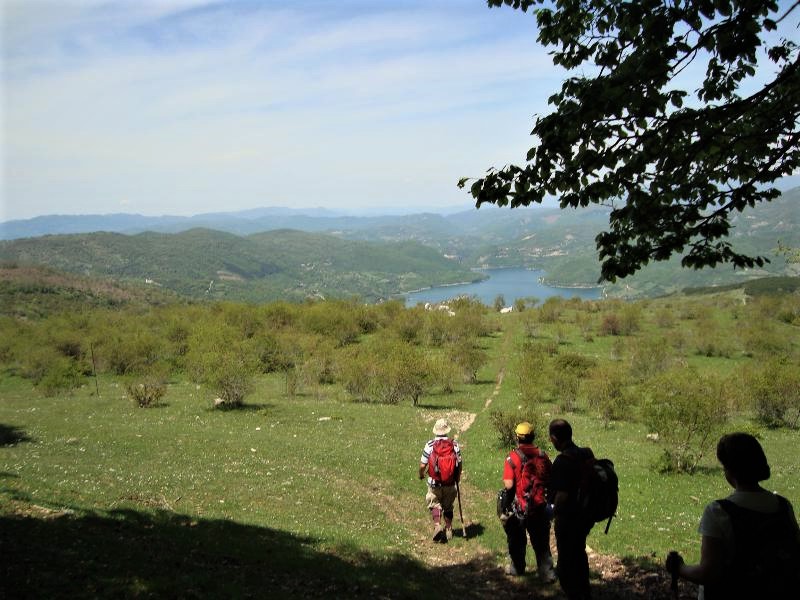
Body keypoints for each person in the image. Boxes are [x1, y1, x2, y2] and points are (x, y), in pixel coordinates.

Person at [665, 432, 800, 599]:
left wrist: (679, 568)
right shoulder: (783, 506)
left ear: (730, 470)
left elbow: (708, 573)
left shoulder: (718, 512)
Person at [500, 421, 557, 582]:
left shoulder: (512, 457)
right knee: (541, 543)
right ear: (532, 436)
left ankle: (517, 568)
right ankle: (547, 574)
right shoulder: (542, 455)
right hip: (539, 505)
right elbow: (550, 479)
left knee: (516, 540)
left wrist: (506, 505)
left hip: (519, 507)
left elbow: (509, 485)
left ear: (517, 437)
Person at [548, 418, 594, 600]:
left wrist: (552, 511)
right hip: (586, 515)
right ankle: (584, 590)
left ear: (554, 438)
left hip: (568, 519)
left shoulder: (562, 461)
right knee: (579, 553)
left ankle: (574, 593)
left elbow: (562, 496)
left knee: (566, 561)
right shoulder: (586, 453)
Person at [419, 418, 462, 543]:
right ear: (447, 431)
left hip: (434, 482)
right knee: (448, 506)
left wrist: (421, 474)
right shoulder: (454, 445)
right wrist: (457, 477)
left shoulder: (430, 445)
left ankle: (437, 525)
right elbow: (459, 464)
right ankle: (448, 529)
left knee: (434, 502)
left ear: (436, 431)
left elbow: (423, 465)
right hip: (449, 482)